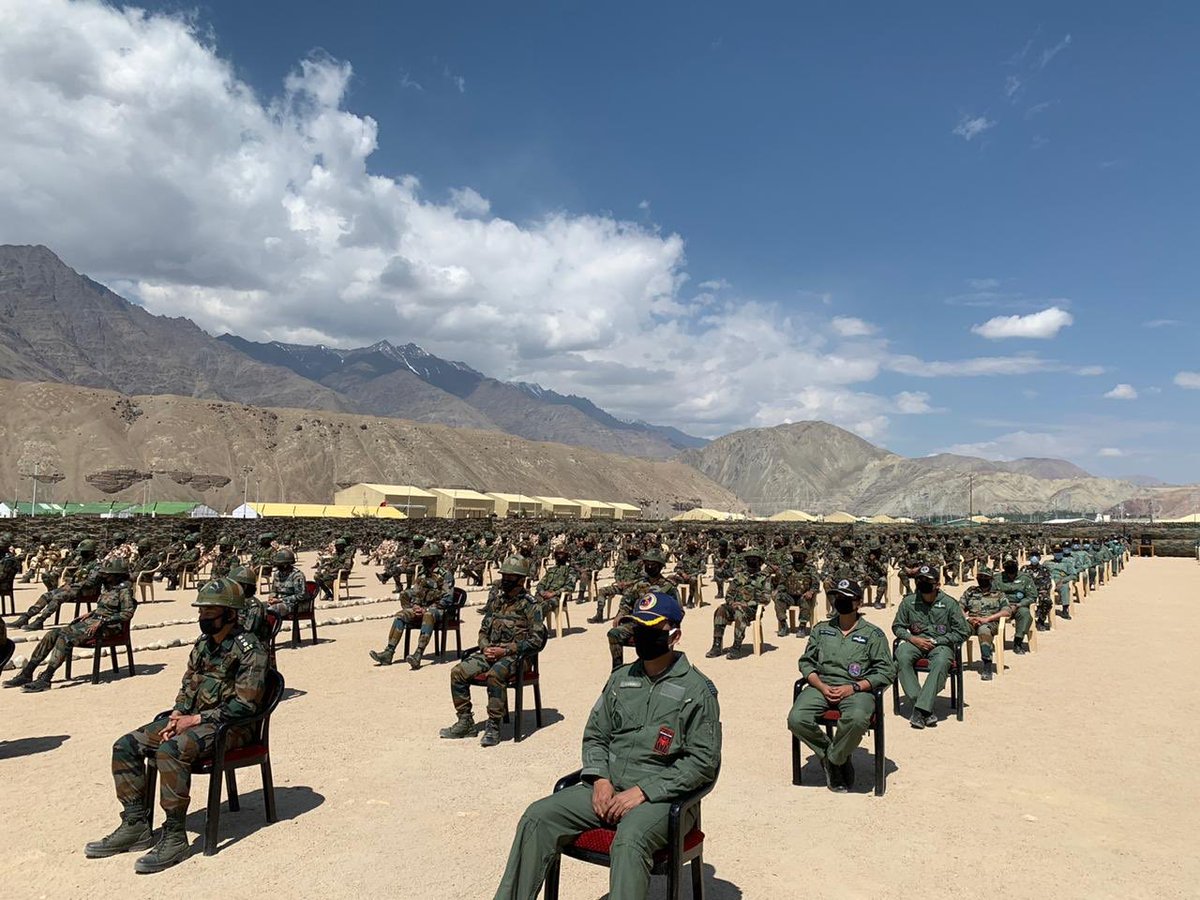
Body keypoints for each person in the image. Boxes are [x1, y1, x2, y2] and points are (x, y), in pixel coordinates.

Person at [493, 591, 720, 899]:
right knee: (538, 816)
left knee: (630, 838)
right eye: (637, 629)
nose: (640, 637)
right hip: (608, 788)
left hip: (665, 800)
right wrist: (599, 779)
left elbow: (702, 763)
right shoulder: (621, 680)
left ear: (674, 635)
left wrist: (643, 792)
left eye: (650, 630)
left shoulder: (697, 690)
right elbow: (596, 735)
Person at [84, 578, 268, 873]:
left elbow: (245, 706)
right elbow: (187, 685)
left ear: (230, 614)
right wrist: (176, 715)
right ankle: (134, 824)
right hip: (192, 721)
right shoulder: (204, 645)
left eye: (210, 612)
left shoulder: (250, 650)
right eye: (201, 612)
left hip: (231, 728)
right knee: (126, 745)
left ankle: (174, 835)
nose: (202, 618)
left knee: (170, 749)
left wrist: (195, 719)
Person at [787, 579, 896, 792]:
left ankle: (834, 760)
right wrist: (819, 685)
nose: (840, 602)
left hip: (856, 689)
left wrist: (854, 688)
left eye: (846, 598)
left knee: (856, 719)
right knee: (796, 719)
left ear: (858, 603)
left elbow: (886, 671)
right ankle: (835, 756)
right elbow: (806, 662)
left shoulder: (873, 634)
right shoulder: (821, 629)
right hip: (822, 685)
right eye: (837, 597)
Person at [440, 556, 546, 747]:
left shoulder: (531, 605)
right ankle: (465, 722)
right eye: (503, 576)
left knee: (495, 674)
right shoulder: (497, 601)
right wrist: (485, 647)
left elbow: (537, 641)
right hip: (490, 653)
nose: (504, 581)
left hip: (517, 657)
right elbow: (483, 630)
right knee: (458, 672)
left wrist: (504, 650)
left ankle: (494, 726)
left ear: (521, 580)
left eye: (509, 578)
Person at [4, 557, 136, 692]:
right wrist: (91, 613)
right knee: (52, 634)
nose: (102, 575)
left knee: (65, 638)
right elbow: (106, 607)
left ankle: (46, 677)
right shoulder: (107, 588)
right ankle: (27, 672)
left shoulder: (124, 591)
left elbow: (127, 613)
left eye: (106, 573)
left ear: (115, 575)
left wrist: (103, 621)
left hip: (108, 628)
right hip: (93, 622)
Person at [892, 565, 969, 728]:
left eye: (927, 581)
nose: (922, 583)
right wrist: (911, 638)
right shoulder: (908, 602)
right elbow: (897, 627)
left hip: (941, 644)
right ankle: (924, 708)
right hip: (916, 642)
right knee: (902, 654)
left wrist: (938, 641)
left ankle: (919, 710)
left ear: (937, 584)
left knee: (941, 662)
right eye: (919, 580)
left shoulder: (949, 603)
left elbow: (963, 632)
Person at [368, 543, 455, 668]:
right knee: (400, 615)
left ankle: (418, 654)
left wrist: (427, 609)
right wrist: (415, 606)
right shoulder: (421, 573)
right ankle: (389, 652)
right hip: (420, 608)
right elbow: (416, 593)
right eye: (424, 558)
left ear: (436, 558)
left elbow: (447, 599)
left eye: (428, 558)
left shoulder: (445, 575)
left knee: (428, 615)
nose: (425, 561)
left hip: (438, 611)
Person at [605, 548, 680, 670]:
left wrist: (669, 626)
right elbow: (626, 601)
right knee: (614, 634)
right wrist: (621, 614)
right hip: (637, 624)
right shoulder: (639, 584)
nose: (649, 567)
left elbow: (679, 611)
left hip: (658, 626)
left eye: (653, 564)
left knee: (654, 640)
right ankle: (617, 669)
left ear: (660, 566)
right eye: (647, 564)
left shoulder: (669, 587)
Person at [12, 538, 102, 630]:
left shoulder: (97, 564)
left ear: (90, 552)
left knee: (57, 597)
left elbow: (91, 582)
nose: (81, 554)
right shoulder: (83, 562)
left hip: (86, 591)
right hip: (73, 588)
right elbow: (73, 574)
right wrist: (68, 582)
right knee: (46, 595)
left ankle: (40, 621)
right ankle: (26, 617)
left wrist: (73, 585)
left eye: (84, 552)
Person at [706, 547, 769, 659]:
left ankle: (736, 646)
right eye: (749, 559)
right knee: (721, 610)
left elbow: (766, 598)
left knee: (740, 612)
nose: (751, 562)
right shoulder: (739, 576)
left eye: (754, 559)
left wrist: (746, 604)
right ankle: (716, 645)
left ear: (760, 562)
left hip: (752, 610)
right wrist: (731, 603)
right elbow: (729, 594)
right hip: (735, 606)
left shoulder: (764, 578)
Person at [958, 568, 1010, 681]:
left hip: (990, 623)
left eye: (985, 577)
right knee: (958, 630)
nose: (982, 579)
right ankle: (952, 663)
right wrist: (968, 618)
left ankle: (987, 665)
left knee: (984, 630)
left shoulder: (999, 594)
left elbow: (1006, 611)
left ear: (991, 579)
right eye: (980, 577)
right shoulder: (970, 591)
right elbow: (959, 607)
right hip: (971, 621)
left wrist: (987, 619)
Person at [773, 545, 819, 638]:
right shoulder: (787, 568)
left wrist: (811, 591)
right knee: (779, 598)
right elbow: (781, 583)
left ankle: (802, 627)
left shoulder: (810, 568)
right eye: (795, 555)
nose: (797, 557)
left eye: (800, 555)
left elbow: (816, 584)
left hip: (803, 596)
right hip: (789, 596)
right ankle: (783, 625)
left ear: (804, 557)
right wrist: (779, 591)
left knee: (805, 599)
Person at [994, 557, 1036, 654]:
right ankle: (991, 640)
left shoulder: (1025, 578)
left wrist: (1019, 604)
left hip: (1019, 606)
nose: (1011, 576)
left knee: (1025, 614)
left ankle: (1018, 641)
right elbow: (991, 594)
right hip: (1001, 606)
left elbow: (1032, 596)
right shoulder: (997, 578)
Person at [533, 546, 577, 622]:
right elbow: (540, 584)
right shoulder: (551, 570)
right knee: (529, 604)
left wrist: (553, 593)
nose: (560, 556)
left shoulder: (570, 571)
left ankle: (537, 628)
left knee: (542, 606)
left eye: (562, 554)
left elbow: (570, 587)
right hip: (544, 595)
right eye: (558, 554)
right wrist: (542, 592)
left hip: (557, 598)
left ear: (566, 556)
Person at [266, 549, 307, 618]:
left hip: (295, 605)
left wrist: (281, 600)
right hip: (279, 603)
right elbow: (274, 591)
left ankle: (274, 628)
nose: (277, 567)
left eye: (279, 564)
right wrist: (271, 598)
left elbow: (301, 596)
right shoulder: (277, 574)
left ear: (285, 565)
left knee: (271, 610)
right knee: (260, 608)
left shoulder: (297, 575)